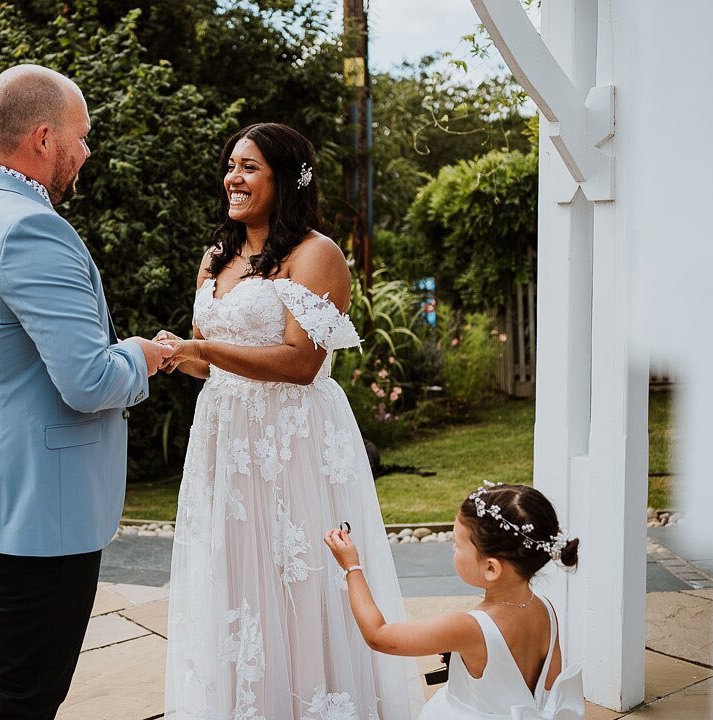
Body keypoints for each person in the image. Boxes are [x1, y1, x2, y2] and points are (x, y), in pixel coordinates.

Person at [0, 64, 172, 719]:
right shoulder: (32, 229)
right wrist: (143, 355)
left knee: (5, 678)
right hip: (38, 514)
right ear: (43, 138)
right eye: (80, 137)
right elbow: (89, 381)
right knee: (27, 697)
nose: (86, 152)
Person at [158, 123, 421, 719]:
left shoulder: (316, 255)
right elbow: (207, 359)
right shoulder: (216, 256)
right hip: (227, 439)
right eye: (231, 165)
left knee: (298, 574)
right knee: (236, 573)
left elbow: (303, 362)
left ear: (285, 179)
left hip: (291, 440)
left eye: (249, 167)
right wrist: (178, 353)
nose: (233, 178)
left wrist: (204, 351)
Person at [324, 482, 586, 720]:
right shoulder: (546, 609)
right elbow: (546, 693)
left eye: (457, 545)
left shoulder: (467, 628)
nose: (453, 549)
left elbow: (378, 635)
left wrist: (351, 567)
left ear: (491, 568)